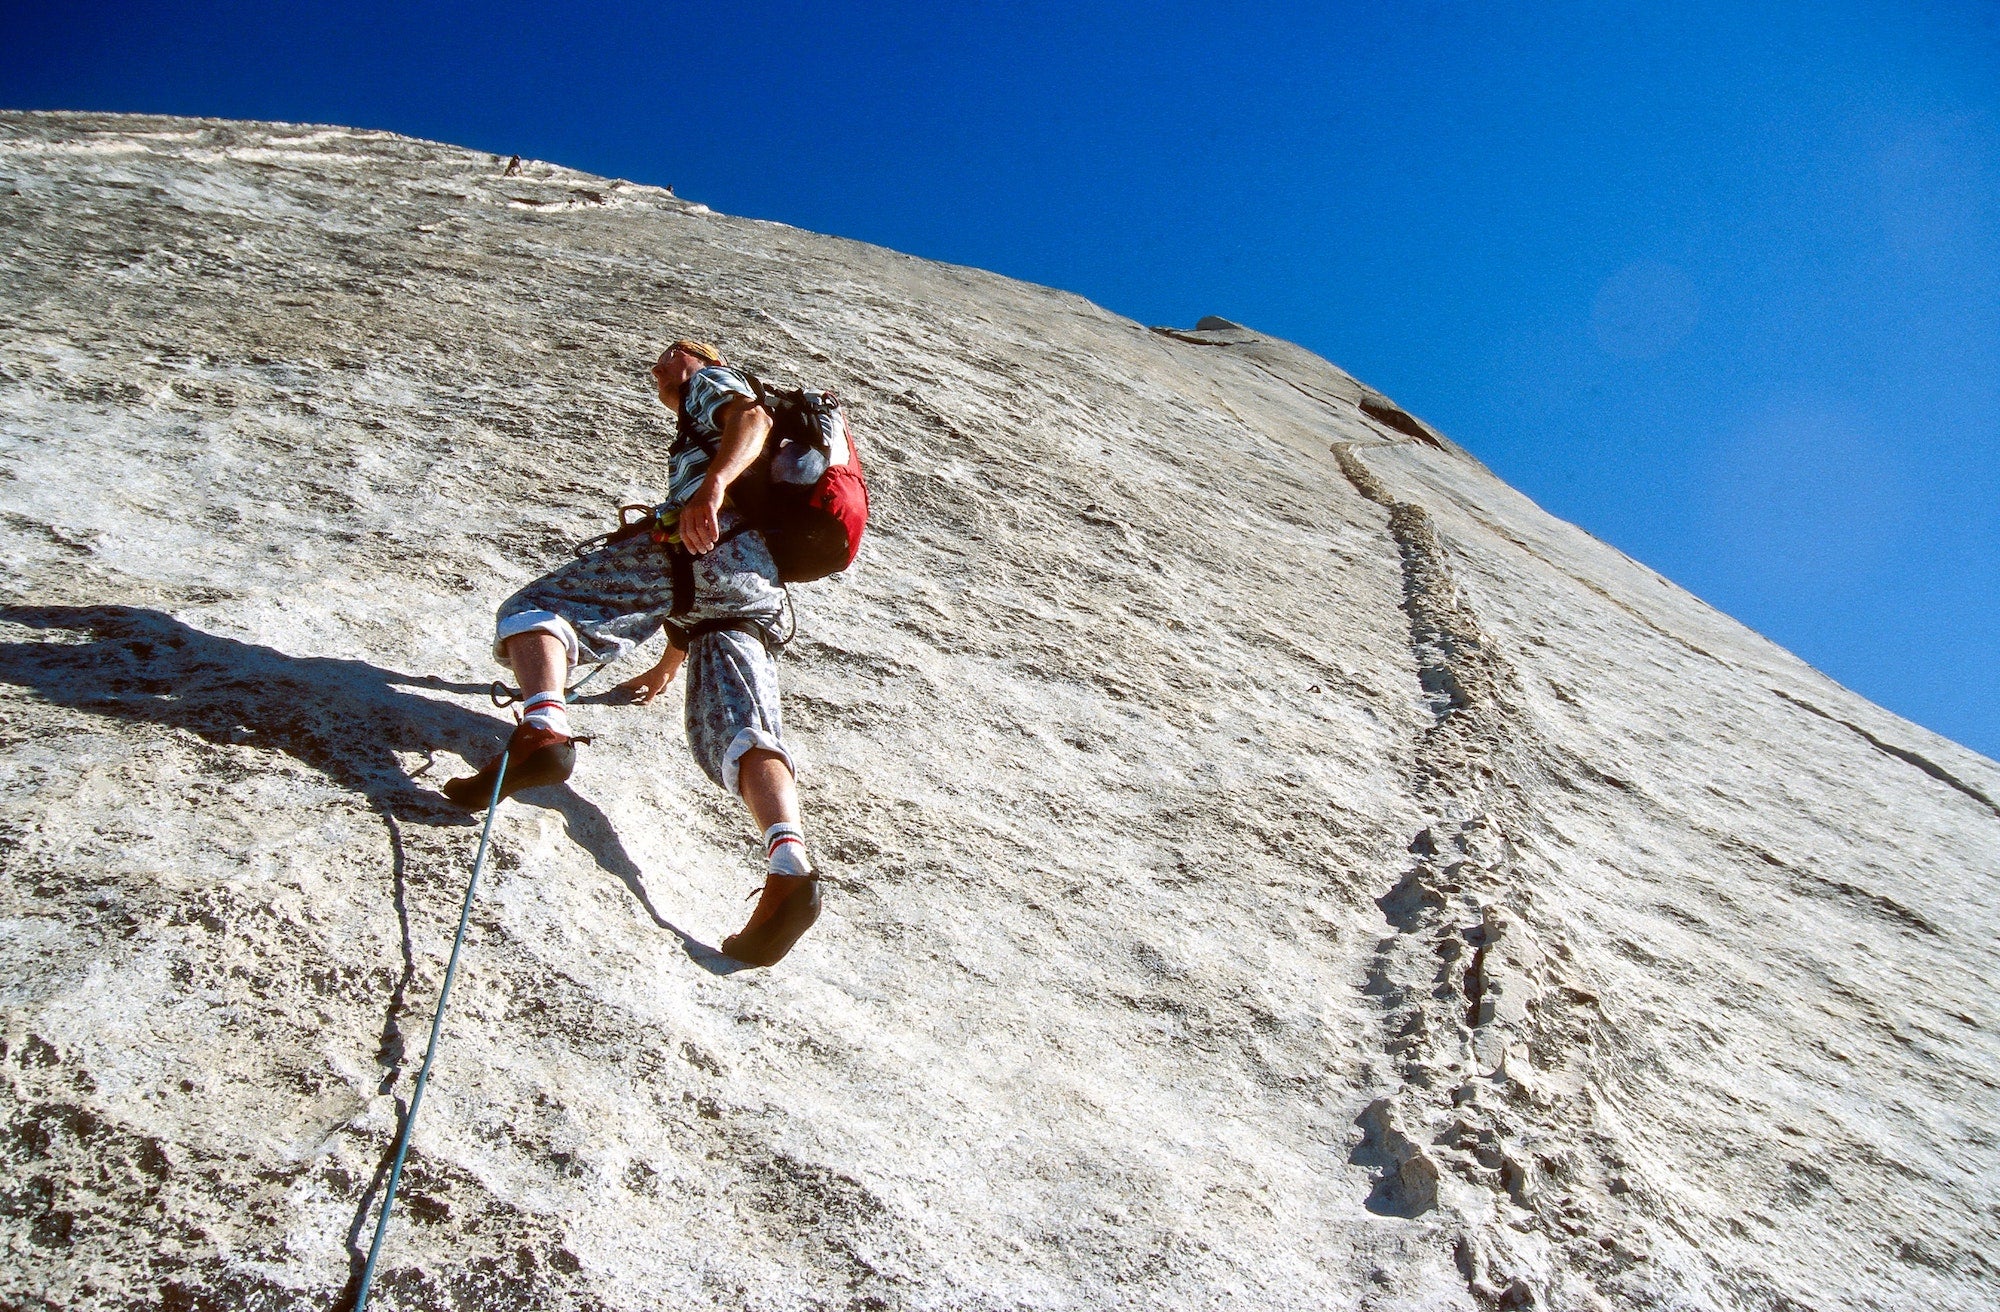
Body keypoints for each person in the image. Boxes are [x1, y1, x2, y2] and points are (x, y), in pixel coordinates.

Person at [441, 339, 821, 967]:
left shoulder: (710, 381)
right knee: (745, 728)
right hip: (752, 579)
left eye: (671, 353)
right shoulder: (717, 436)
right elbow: (694, 598)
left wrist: (711, 491)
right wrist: (668, 666)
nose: (659, 366)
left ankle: (542, 729)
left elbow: (750, 419)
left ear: (696, 356)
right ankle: (790, 867)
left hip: (703, 542)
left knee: (537, 611)